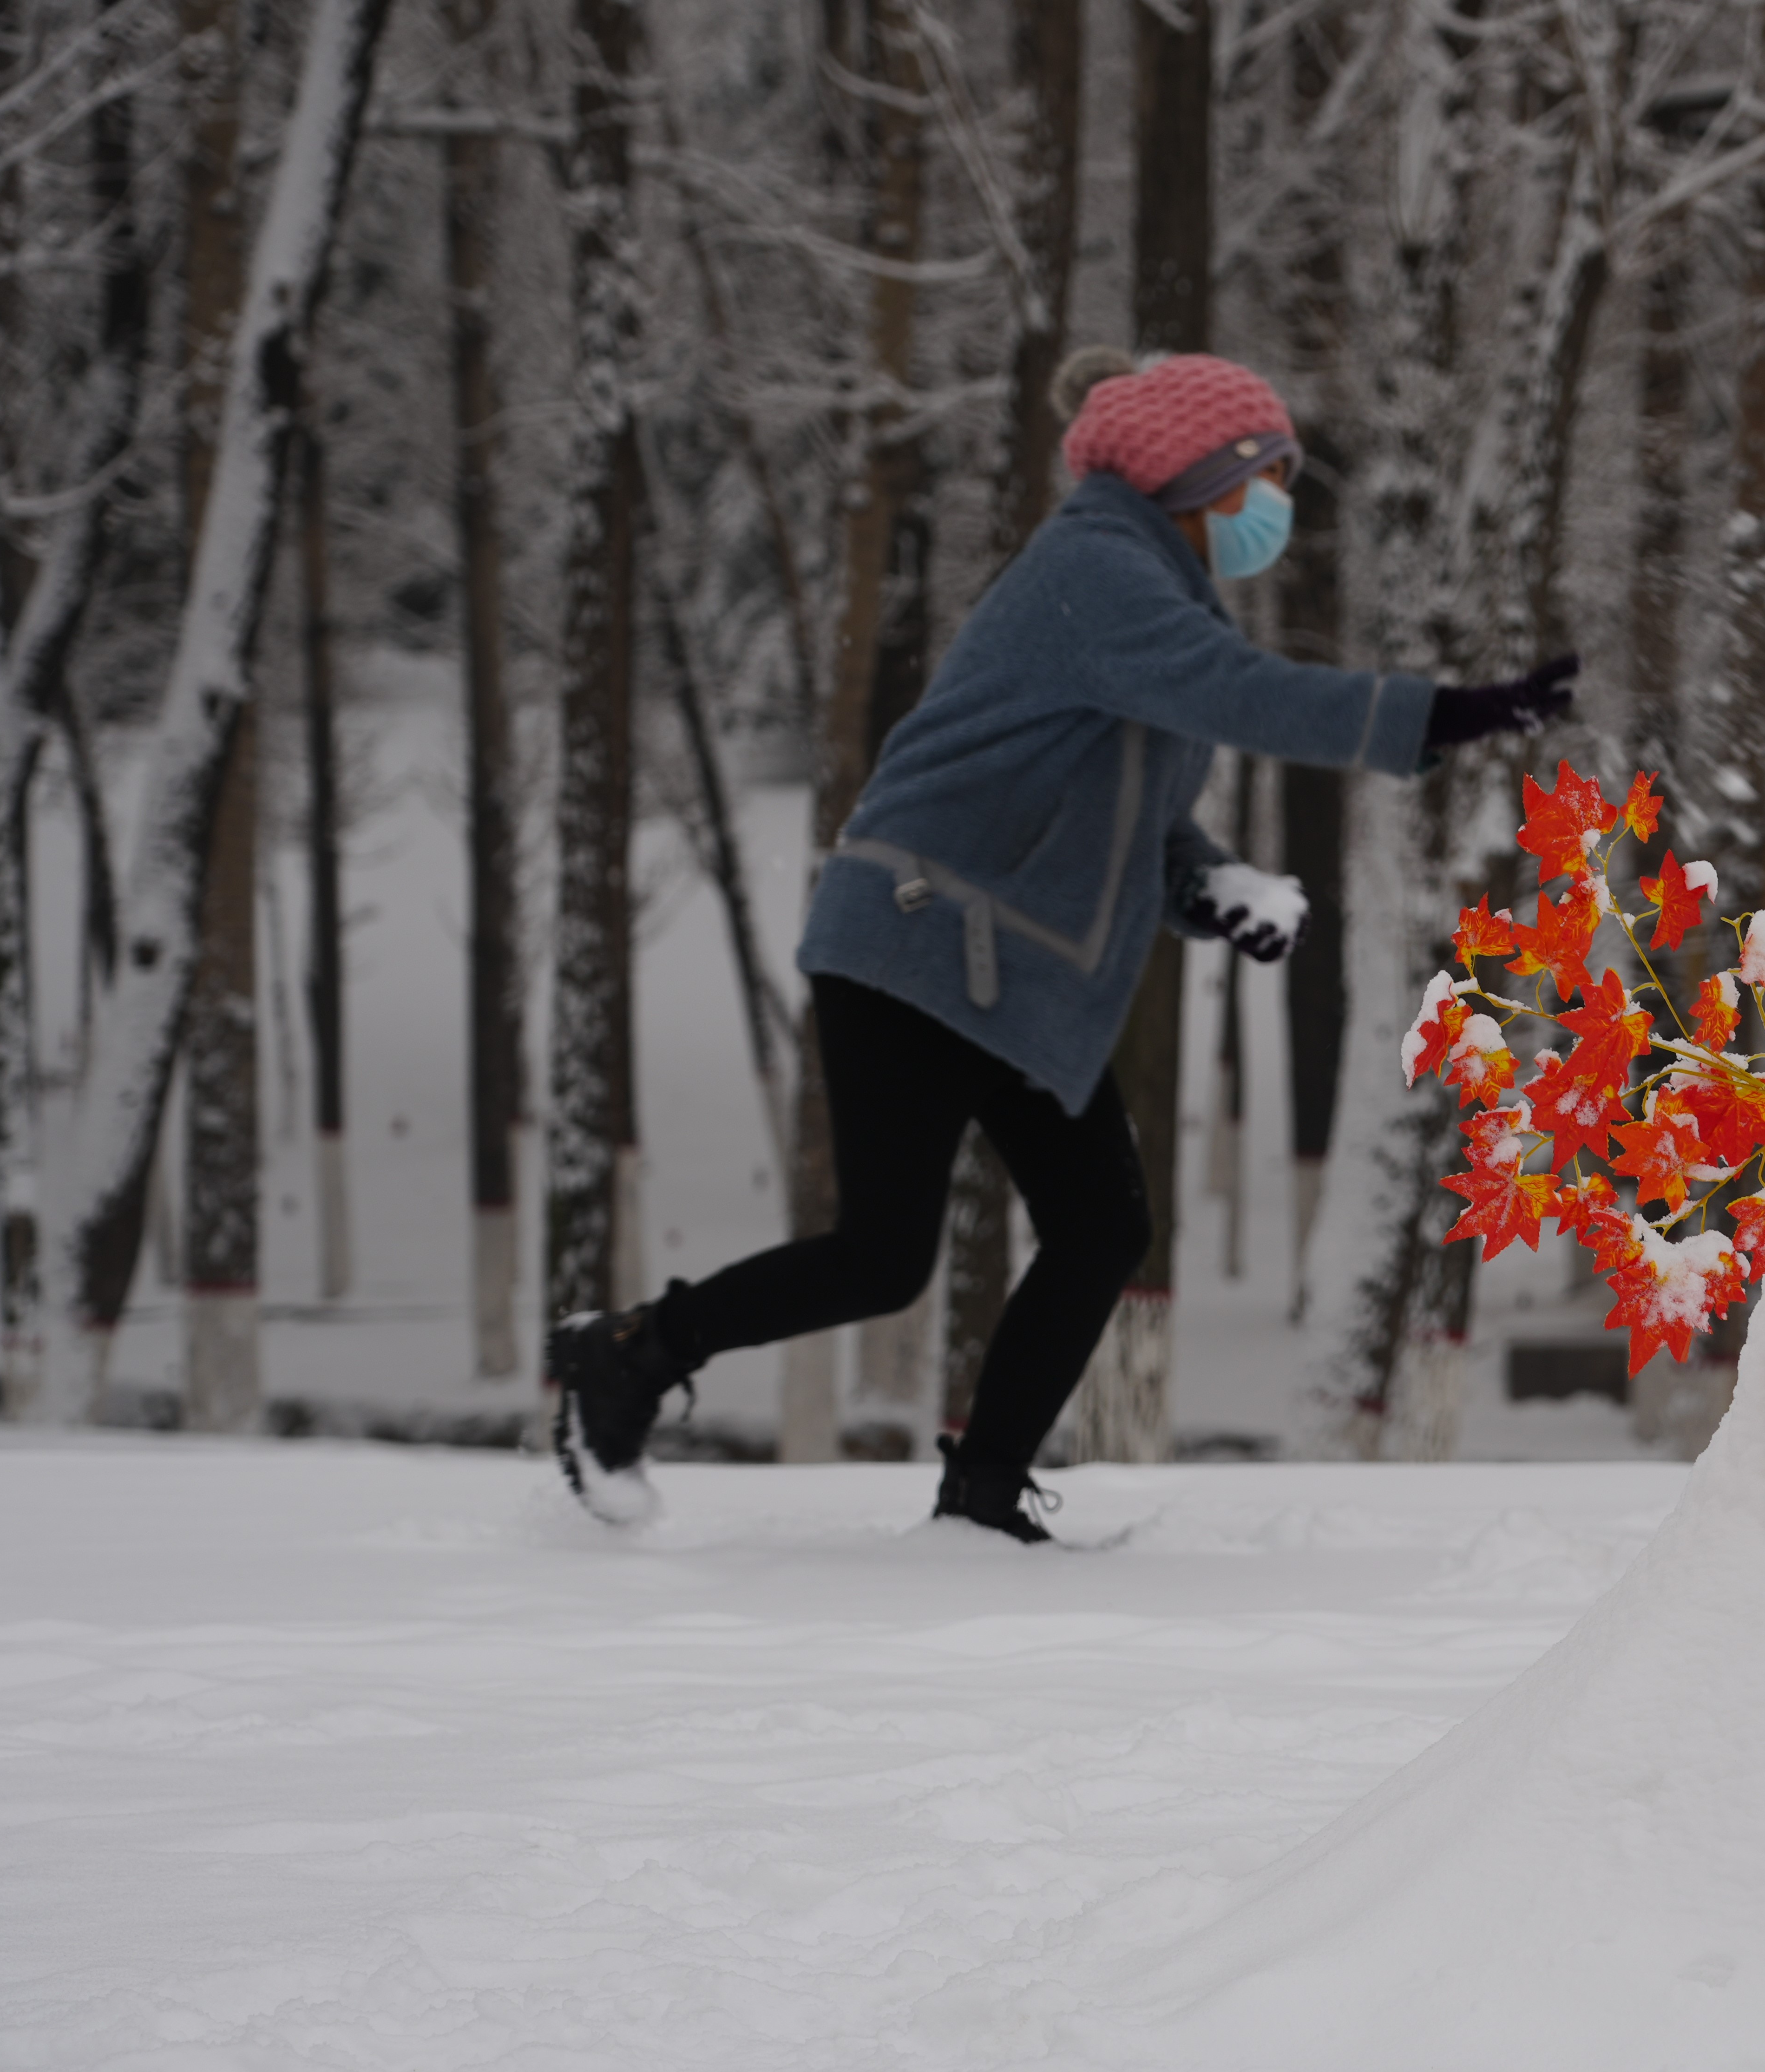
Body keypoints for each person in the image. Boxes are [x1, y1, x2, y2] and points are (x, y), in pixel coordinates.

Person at [544, 348, 1579, 1539]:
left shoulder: (1152, 587)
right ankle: (625, 1354)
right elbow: (1240, 694)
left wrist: (1213, 887)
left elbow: (1125, 803)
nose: (1279, 508)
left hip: (1009, 967)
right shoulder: (1096, 567)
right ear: (1207, 478)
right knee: (885, 1256)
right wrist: (1455, 713)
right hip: (914, 945)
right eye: (1272, 479)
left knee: (1099, 1227)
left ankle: (985, 1491)